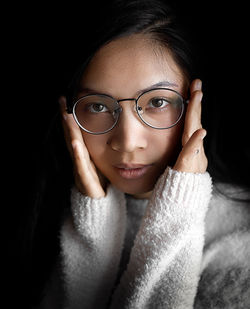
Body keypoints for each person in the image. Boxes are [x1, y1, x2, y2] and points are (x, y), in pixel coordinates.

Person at [22, 0, 249, 308]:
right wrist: (91, 239)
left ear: (197, 104)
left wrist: (179, 208)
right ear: (69, 116)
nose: (128, 142)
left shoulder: (241, 243)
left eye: (157, 103)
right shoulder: (42, 227)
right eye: (98, 106)